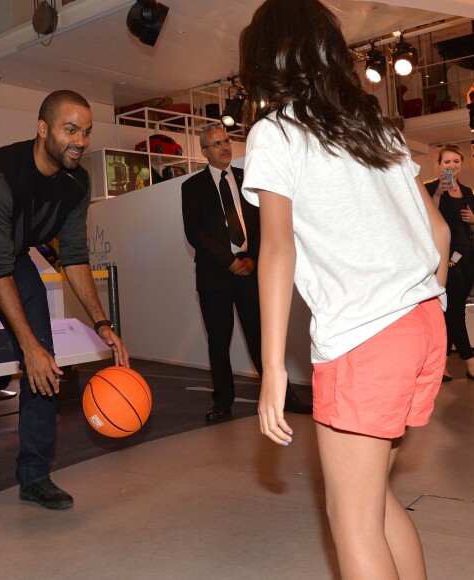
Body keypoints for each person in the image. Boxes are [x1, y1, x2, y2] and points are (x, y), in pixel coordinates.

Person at [239, 1, 450, 579]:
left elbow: (276, 250)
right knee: (375, 500)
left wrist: (273, 369)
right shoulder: (377, 128)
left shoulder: (275, 133)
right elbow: (439, 231)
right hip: (423, 323)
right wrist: (420, 306)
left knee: (352, 522)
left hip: (365, 338)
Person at [0, 90, 129, 545]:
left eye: (86, 131)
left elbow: (74, 256)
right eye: (70, 129)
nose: (80, 140)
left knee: (47, 365)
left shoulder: (75, 183)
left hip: (12, 255)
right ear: (43, 129)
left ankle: (35, 475)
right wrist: (27, 346)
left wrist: (103, 324)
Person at [181, 123, 311, 422]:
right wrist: (229, 260)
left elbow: (265, 223)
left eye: (226, 141)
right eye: (216, 144)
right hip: (215, 275)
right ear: (204, 151)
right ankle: (223, 402)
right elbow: (195, 232)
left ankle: (286, 397)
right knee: (218, 342)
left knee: (264, 338)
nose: (225, 147)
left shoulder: (247, 178)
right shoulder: (192, 187)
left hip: (251, 272)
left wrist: (252, 257)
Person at [426, 144, 474, 381]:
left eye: (456, 161)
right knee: (454, 311)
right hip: (447, 258)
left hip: (468, 256)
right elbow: (427, 218)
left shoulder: (467, 191)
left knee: (453, 312)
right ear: (439, 165)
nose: (451, 166)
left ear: (461, 165)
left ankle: (440, 364)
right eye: (447, 162)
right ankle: (470, 362)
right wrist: (438, 193)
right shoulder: (430, 189)